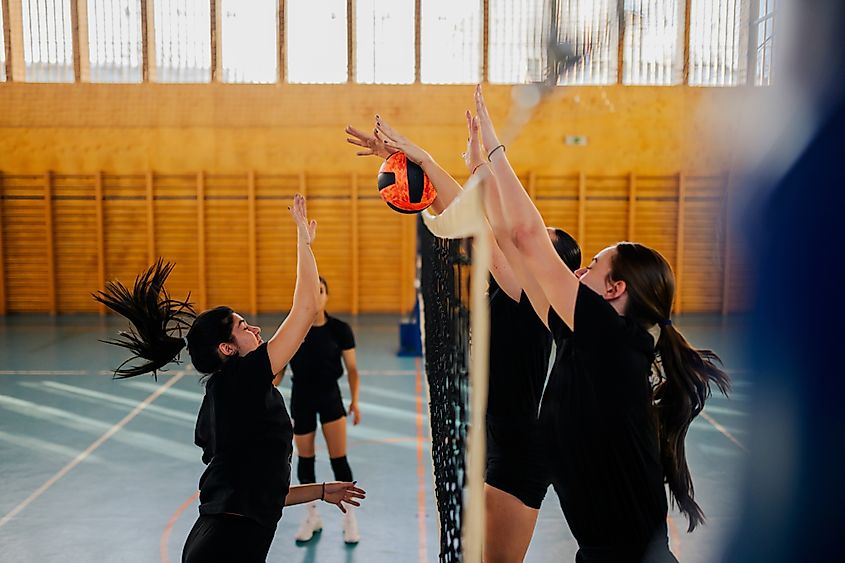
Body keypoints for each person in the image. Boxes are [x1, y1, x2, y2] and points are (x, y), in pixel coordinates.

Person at [471, 85, 730, 562]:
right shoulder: (579, 339)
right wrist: (481, 172)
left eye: (592, 264)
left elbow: (530, 237)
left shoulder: (615, 343)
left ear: (615, 291)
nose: (579, 270)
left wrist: (495, 145)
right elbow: (512, 242)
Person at [347, 117, 581, 563]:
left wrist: (427, 159)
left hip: (519, 455)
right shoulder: (511, 288)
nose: (520, 241)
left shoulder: (533, 298)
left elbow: (486, 228)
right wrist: (399, 163)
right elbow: (478, 220)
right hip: (499, 438)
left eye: (537, 244)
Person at [93, 194, 366, 563]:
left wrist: (319, 491)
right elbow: (304, 309)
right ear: (227, 348)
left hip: (220, 537)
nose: (254, 328)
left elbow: (257, 490)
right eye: (242, 326)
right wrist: (302, 240)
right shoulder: (243, 378)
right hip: (228, 544)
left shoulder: (227, 395)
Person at [273, 276, 362, 544]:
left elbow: (353, 369)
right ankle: (311, 515)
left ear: (326, 295)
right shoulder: (293, 331)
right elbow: (277, 374)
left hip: (330, 398)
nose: (316, 295)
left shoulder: (340, 330)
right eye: (311, 292)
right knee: (305, 460)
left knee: (339, 460)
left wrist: (355, 401)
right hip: (302, 399)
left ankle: (350, 519)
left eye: (320, 290)